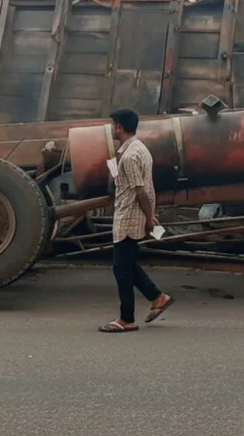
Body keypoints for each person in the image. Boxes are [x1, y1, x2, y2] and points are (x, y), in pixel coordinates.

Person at [99, 107, 174, 333]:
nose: (112, 129)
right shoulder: (139, 149)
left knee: (121, 269)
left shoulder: (130, 155)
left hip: (128, 217)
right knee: (126, 265)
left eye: (113, 125)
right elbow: (133, 184)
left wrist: (149, 216)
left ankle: (126, 319)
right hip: (132, 213)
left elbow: (140, 191)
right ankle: (158, 297)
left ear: (119, 127)